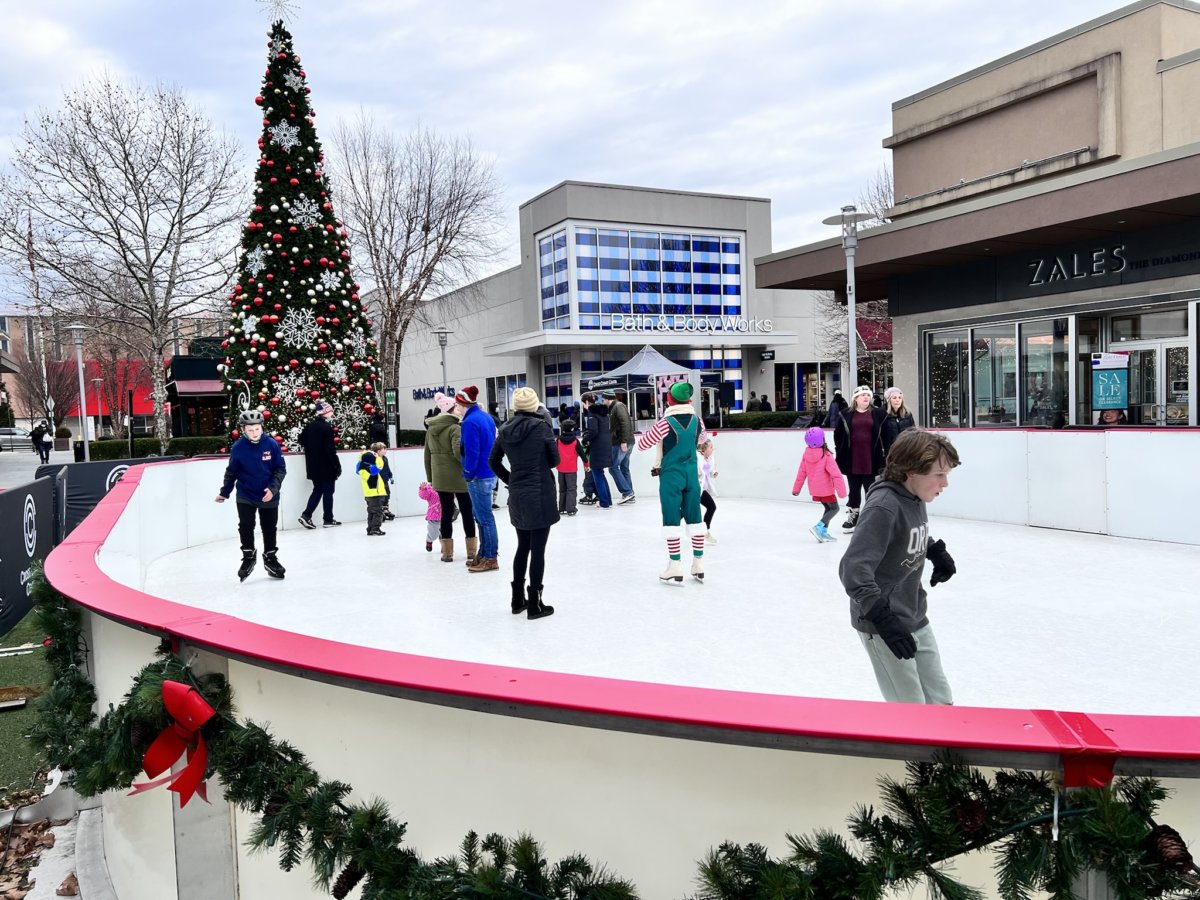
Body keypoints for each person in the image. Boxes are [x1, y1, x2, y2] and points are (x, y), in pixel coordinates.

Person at [838, 429, 960, 705]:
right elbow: (852, 569)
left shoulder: (914, 496)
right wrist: (884, 621)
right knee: (910, 707)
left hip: (914, 611)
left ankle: (945, 747)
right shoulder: (884, 506)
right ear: (911, 471)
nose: (945, 483)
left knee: (940, 699)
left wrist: (933, 549)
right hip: (882, 624)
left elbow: (904, 532)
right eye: (939, 474)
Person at [489, 386, 558, 619]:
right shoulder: (542, 427)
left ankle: (517, 599)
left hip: (518, 493)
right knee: (538, 550)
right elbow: (554, 460)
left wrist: (512, 479)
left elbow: (493, 461)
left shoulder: (504, 429)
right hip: (539, 492)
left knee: (523, 546)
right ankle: (535, 604)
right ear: (534, 405)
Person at [636, 381, 710, 583]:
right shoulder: (698, 420)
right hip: (692, 475)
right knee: (695, 518)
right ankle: (698, 563)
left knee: (671, 519)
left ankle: (675, 565)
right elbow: (702, 439)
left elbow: (643, 444)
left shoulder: (664, 423)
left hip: (671, 476)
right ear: (688, 400)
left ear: (669, 400)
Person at [216, 409, 287, 582]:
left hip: (268, 495)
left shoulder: (271, 444)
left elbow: (280, 469)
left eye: (257, 429)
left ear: (261, 427)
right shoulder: (238, 448)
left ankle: (270, 557)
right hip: (246, 494)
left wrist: (273, 489)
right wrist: (224, 492)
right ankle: (248, 557)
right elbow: (231, 472)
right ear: (243, 430)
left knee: (269, 527)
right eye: (250, 430)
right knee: (246, 525)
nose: (254, 433)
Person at [424, 395, 475, 562]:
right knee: (467, 511)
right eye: (456, 407)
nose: (459, 410)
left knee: (446, 512)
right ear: (451, 410)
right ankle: (471, 551)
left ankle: (447, 553)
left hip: (440, 477)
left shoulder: (431, 429)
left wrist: (431, 478)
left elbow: (427, 455)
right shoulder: (455, 428)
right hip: (459, 477)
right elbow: (458, 453)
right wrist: (470, 467)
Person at [457, 386, 500, 573]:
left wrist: (468, 473)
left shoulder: (470, 422)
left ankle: (490, 557)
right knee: (482, 517)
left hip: (478, 475)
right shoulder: (485, 417)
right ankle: (484, 553)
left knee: (484, 518)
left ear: (463, 403)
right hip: (488, 472)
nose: (456, 407)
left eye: (458, 403)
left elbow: (471, 451)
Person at [833, 385, 886, 531]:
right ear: (855, 398)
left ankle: (871, 519)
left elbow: (885, 433)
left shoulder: (878, 413)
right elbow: (838, 434)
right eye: (863, 395)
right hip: (852, 459)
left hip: (871, 459)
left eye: (868, 395)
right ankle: (854, 516)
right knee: (854, 489)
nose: (866, 398)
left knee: (871, 491)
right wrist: (840, 451)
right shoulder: (846, 414)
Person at [792, 426, 847, 543]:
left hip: (815, 489)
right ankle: (818, 527)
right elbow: (836, 474)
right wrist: (842, 493)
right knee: (835, 508)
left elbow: (801, 472)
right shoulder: (826, 455)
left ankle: (823, 533)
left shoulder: (806, 454)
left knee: (828, 508)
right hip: (826, 489)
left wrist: (796, 489)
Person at [297, 401, 342, 529]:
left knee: (317, 490)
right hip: (326, 466)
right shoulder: (326, 428)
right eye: (330, 411)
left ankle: (306, 515)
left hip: (313, 465)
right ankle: (328, 519)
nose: (331, 413)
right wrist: (336, 465)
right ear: (325, 412)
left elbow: (301, 439)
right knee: (328, 492)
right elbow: (330, 450)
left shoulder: (310, 426)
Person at [580, 392, 614, 509]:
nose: (583, 406)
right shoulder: (602, 412)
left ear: (587, 403)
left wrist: (584, 440)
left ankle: (604, 502)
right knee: (600, 473)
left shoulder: (592, 414)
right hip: (605, 444)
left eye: (583, 404)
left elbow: (593, 431)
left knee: (597, 473)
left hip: (598, 446)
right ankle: (607, 500)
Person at [606, 390, 636, 504]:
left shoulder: (618, 407)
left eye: (604, 399)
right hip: (624, 441)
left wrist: (623, 441)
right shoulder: (615, 407)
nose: (603, 401)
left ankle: (627, 492)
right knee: (623, 467)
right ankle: (629, 494)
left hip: (622, 442)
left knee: (613, 467)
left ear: (608, 398)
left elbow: (625, 423)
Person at [357, 447, 389, 536]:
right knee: (378, 512)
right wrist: (378, 457)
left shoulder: (362, 468)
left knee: (372, 512)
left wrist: (366, 453)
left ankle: (370, 528)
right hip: (375, 494)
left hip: (369, 494)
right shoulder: (369, 469)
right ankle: (375, 528)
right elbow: (379, 467)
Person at [556, 418, 581, 516]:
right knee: (571, 488)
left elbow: (554, 452)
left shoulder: (558, 440)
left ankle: (561, 508)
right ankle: (571, 509)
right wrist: (587, 463)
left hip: (561, 468)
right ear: (572, 429)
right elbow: (581, 453)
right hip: (571, 469)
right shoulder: (575, 441)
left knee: (562, 488)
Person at [880, 387, 915, 457]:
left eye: (899, 398)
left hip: (906, 453)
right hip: (889, 454)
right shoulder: (882, 415)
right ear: (888, 400)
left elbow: (913, 433)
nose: (897, 400)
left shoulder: (907, 414)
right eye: (894, 398)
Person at [697, 438, 718, 543]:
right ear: (704, 449)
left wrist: (714, 473)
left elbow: (710, 470)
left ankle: (705, 531)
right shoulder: (698, 458)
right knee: (687, 511)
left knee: (712, 507)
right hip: (695, 489)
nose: (712, 449)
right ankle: (671, 524)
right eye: (710, 447)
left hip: (703, 490)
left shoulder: (710, 458)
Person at [417, 480, 441, 552]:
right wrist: (423, 489)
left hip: (445, 515)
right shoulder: (430, 489)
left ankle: (445, 546)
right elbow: (424, 496)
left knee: (445, 533)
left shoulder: (446, 487)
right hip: (434, 516)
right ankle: (429, 540)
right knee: (433, 533)